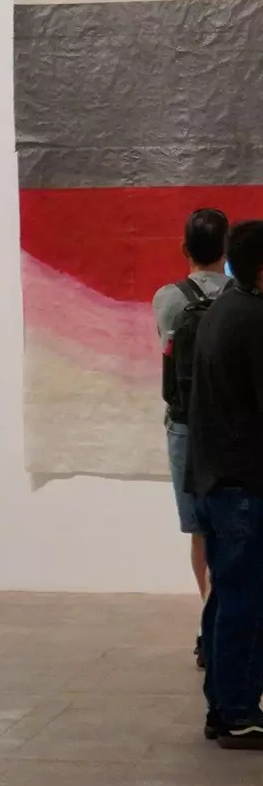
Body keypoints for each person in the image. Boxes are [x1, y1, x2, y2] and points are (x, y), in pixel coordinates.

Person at [189, 220, 263, 747]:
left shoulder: (223, 310)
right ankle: (238, 711)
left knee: (228, 596)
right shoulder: (253, 319)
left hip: (219, 479)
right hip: (244, 485)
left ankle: (223, 706)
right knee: (245, 601)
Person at [152, 207, 230, 667]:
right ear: (227, 250)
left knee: (199, 529)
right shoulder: (243, 298)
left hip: (184, 425)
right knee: (235, 524)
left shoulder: (168, 298)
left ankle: (208, 624)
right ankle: (229, 625)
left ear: (185, 248)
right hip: (232, 427)